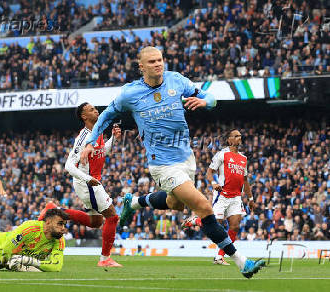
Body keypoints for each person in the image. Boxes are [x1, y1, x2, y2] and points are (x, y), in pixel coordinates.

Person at [80, 46, 264, 278]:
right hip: (162, 164)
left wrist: (205, 102)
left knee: (175, 205)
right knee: (204, 207)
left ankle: (135, 202)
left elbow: (211, 97)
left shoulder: (176, 80)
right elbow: (107, 114)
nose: (158, 64)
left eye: (160, 60)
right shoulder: (130, 93)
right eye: (152, 61)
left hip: (187, 158)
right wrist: (90, 141)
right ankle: (242, 262)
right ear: (142, 66)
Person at [40, 102, 122, 267]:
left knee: (96, 223)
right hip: (88, 183)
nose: (96, 110)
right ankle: (105, 259)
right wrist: (87, 179)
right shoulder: (83, 138)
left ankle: (54, 210)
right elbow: (69, 166)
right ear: (84, 117)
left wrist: (113, 139)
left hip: (92, 181)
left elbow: (101, 151)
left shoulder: (97, 131)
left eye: (95, 108)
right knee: (112, 217)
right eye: (91, 109)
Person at [184, 129, 255, 265]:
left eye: (240, 136)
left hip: (236, 198)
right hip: (222, 195)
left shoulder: (243, 158)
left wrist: (251, 199)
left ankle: (220, 257)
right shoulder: (222, 155)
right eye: (236, 136)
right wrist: (213, 183)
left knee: (234, 227)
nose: (239, 138)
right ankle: (197, 221)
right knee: (216, 224)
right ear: (229, 140)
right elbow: (209, 173)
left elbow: (245, 180)